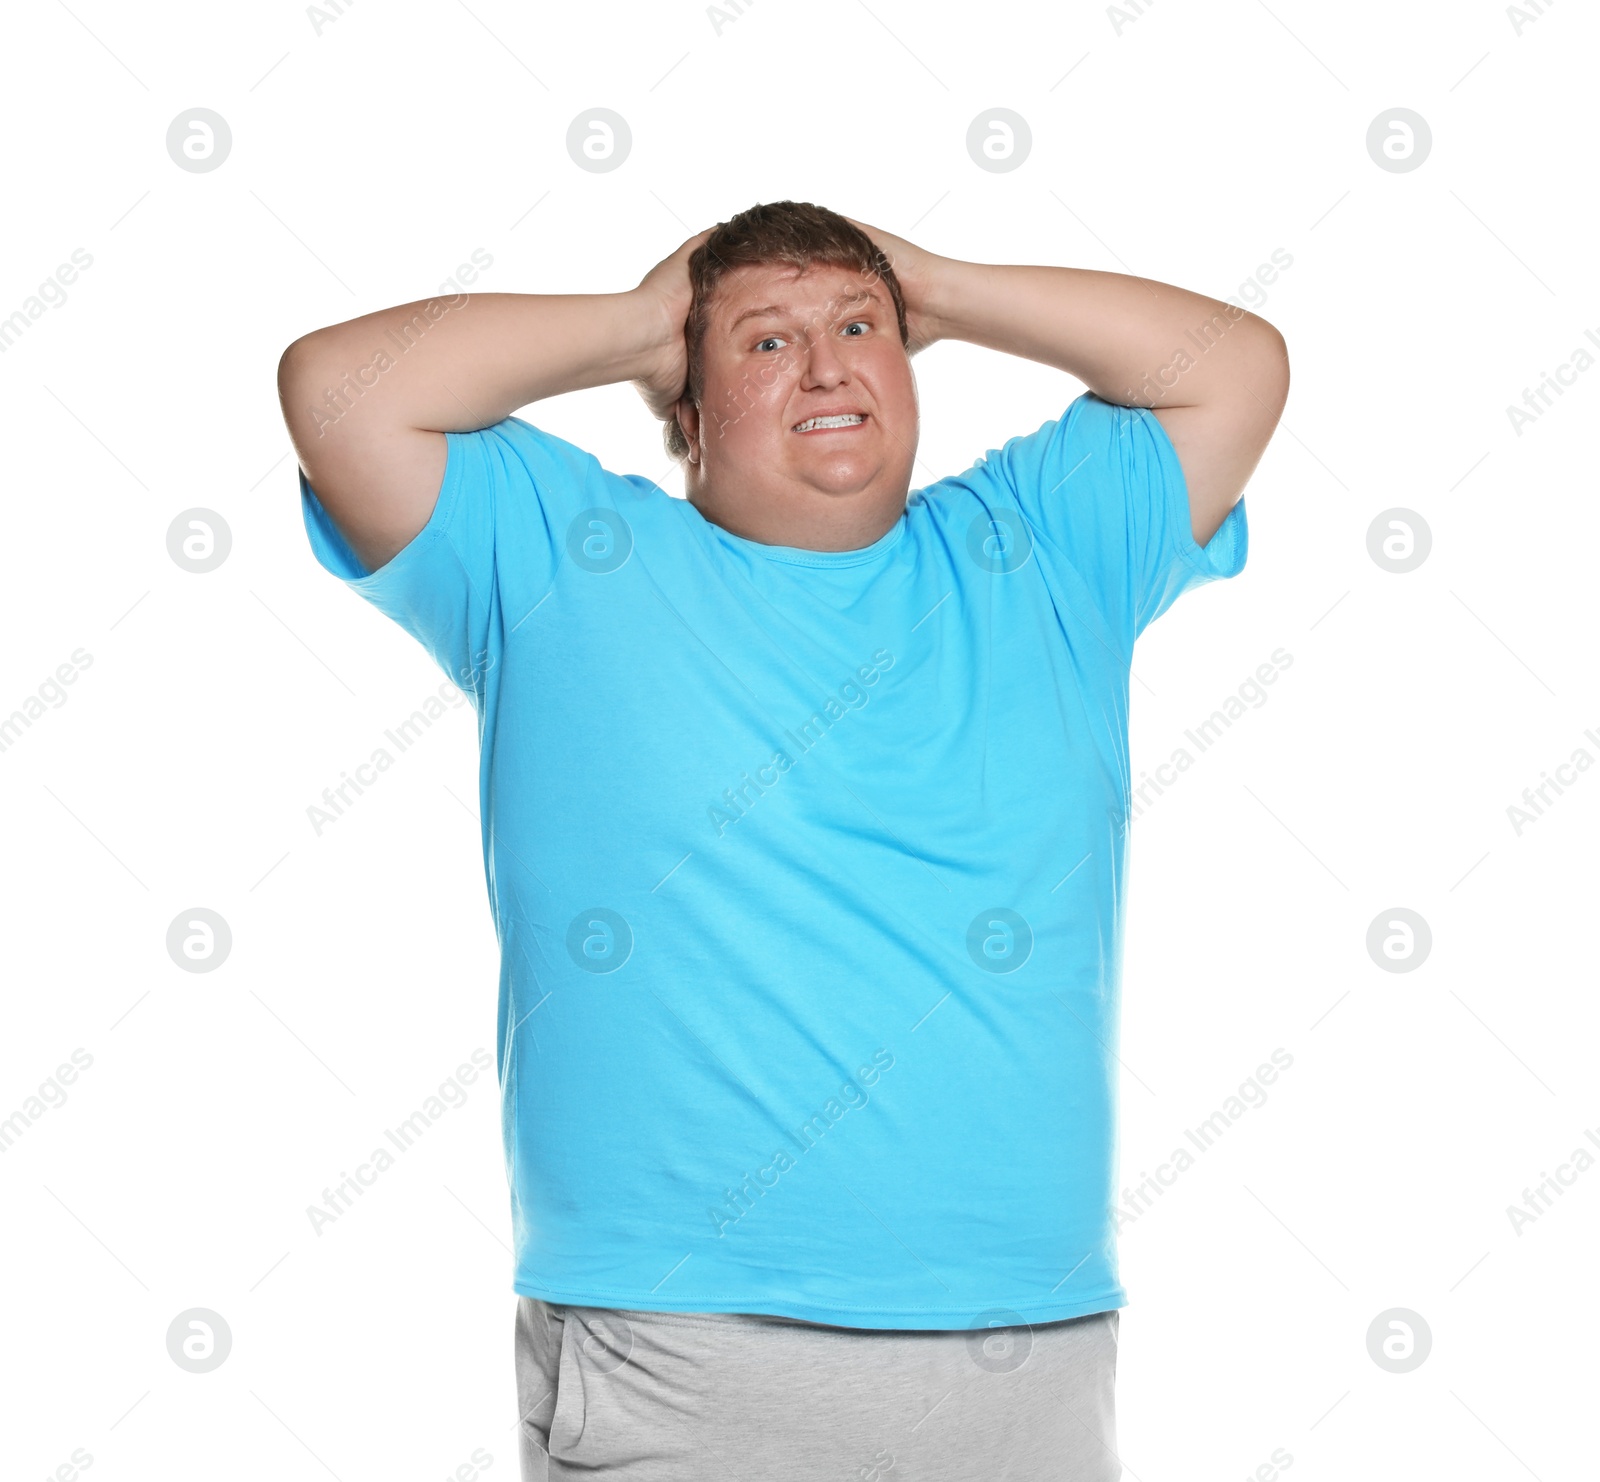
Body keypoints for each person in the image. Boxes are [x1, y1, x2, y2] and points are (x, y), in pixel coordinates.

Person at [277, 199, 1289, 1481]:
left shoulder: (1045, 545)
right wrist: (652, 319)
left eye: (859, 328)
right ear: (685, 413)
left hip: (1016, 1341)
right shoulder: (556, 555)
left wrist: (944, 285)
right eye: (764, 343)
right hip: (679, 1343)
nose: (825, 364)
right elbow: (338, 392)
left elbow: (1236, 370)